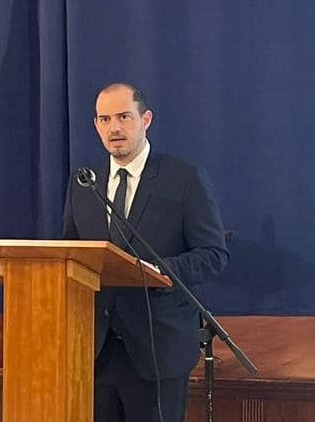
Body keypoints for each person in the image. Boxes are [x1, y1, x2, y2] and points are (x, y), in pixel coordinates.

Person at [62, 82, 229, 422]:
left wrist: (157, 271)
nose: (114, 128)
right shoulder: (84, 182)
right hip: (95, 349)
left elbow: (213, 254)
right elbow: (71, 254)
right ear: (96, 125)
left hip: (157, 350)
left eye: (124, 117)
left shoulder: (184, 179)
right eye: (105, 119)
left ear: (146, 119)